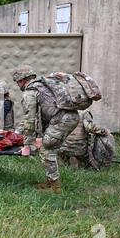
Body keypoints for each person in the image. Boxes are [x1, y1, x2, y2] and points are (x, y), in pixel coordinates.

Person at [13, 65, 79, 194]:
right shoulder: (43, 85)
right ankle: (51, 180)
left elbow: (30, 120)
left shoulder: (30, 92)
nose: (17, 85)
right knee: (50, 149)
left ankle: (55, 188)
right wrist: (18, 132)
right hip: (72, 117)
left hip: (61, 120)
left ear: (22, 79)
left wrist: (27, 145)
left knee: (46, 149)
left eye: (17, 82)